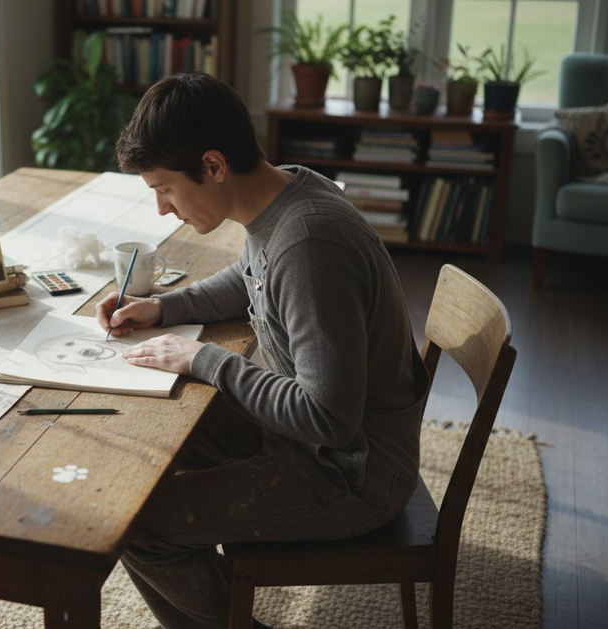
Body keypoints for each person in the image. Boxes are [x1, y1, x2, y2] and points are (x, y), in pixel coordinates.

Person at [95, 72, 430, 629]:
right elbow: (248, 276)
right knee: (158, 439)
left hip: (352, 473)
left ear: (213, 166)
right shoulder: (286, 193)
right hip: (315, 442)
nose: (161, 209)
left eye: (164, 188)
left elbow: (329, 421)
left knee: (140, 526)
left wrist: (203, 359)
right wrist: (162, 307)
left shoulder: (310, 244)